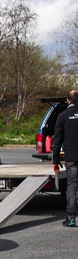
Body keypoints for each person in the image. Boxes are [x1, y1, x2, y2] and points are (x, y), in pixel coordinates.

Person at [52, 90, 78, 227]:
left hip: (72, 157)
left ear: (68, 100)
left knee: (72, 186)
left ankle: (72, 218)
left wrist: (55, 161)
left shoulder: (63, 116)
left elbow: (57, 140)